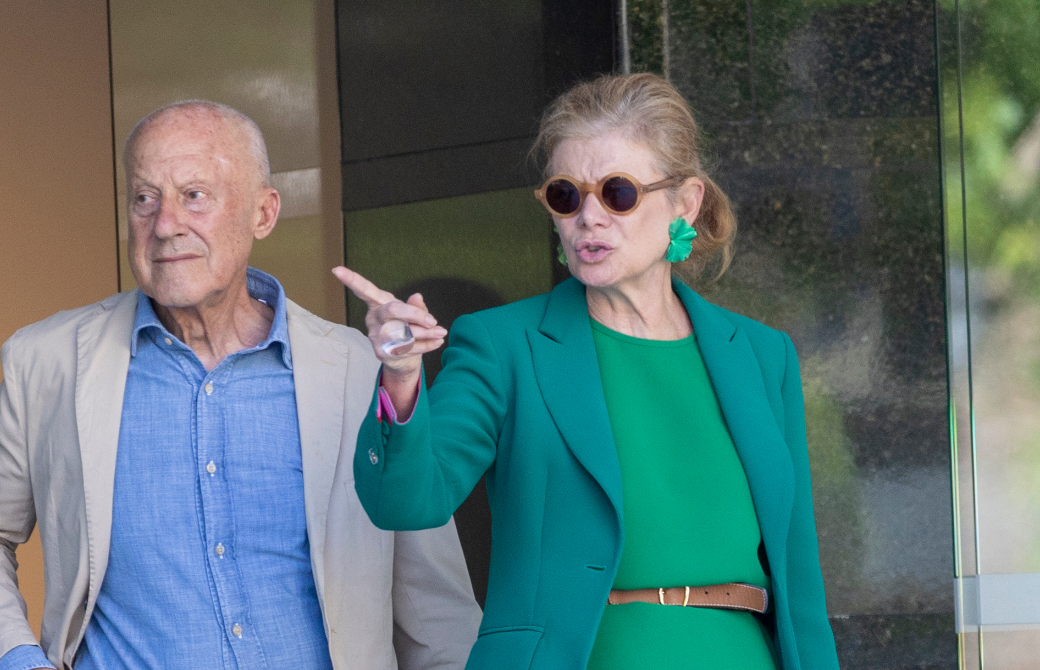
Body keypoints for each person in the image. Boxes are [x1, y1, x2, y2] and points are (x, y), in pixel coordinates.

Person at [0, 100, 481, 670]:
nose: (165, 224)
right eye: (145, 198)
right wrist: (16, 661)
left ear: (263, 214)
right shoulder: (48, 363)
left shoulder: (359, 370)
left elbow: (435, 610)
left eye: (194, 195)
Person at [335, 73, 840, 670]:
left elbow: (798, 575)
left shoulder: (761, 354)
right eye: (566, 195)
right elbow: (408, 501)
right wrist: (401, 375)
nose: (589, 217)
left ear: (685, 202)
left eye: (618, 193)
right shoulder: (504, 346)